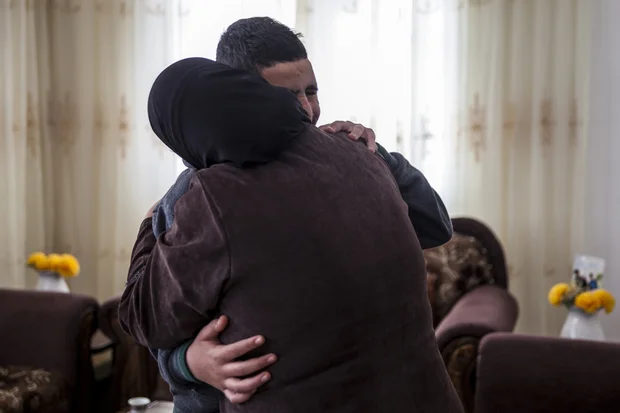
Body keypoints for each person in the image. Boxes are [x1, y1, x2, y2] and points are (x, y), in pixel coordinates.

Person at [129, 16, 454, 408]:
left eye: (311, 91)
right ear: (239, 92)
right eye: (285, 96)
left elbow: (435, 225)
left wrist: (374, 151)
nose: (305, 109)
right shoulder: (197, 195)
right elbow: (163, 326)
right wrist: (188, 362)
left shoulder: (353, 154)